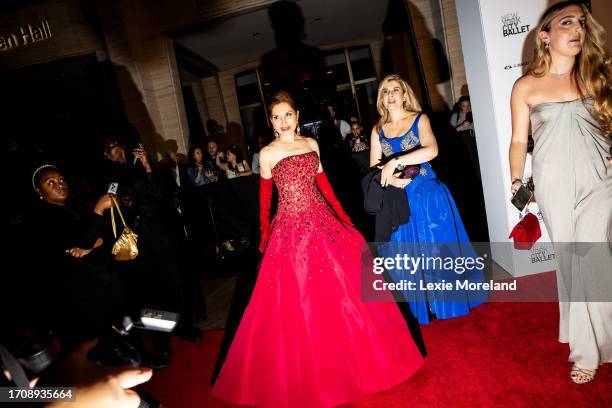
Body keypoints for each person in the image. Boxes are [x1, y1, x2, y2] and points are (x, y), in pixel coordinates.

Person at [212, 91, 423, 407]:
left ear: (297, 116)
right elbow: (265, 200)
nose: (283, 121)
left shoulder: (311, 145)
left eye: (287, 114)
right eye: (276, 116)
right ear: (270, 122)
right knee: (299, 299)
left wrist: (343, 217)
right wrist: (264, 234)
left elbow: (325, 187)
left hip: (321, 221)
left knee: (344, 289)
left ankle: (358, 362)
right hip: (290, 230)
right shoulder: (267, 154)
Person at [509, 1, 612, 384]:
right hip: (552, 183)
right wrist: (517, 181)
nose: (577, 30)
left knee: (592, 255)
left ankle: (587, 353)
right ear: (546, 36)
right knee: (572, 262)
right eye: (566, 22)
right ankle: (590, 333)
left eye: (582, 23)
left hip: (599, 180)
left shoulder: (596, 77)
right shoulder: (527, 86)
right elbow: (519, 140)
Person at [370, 74, 487, 325]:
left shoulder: (419, 119)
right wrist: (389, 179)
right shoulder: (377, 131)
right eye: (385, 91)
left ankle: (445, 303)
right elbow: (374, 169)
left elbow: (432, 149)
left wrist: (396, 161)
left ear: (404, 94)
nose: (390, 95)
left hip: (427, 195)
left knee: (437, 249)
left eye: (395, 90)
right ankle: (421, 308)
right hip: (398, 200)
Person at [26, 165, 118, 346]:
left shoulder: (75, 206)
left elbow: (106, 235)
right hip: (79, 291)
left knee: (112, 327)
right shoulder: (41, 219)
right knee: (94, 341)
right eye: (50, 182)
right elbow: (83, 241)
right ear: (39, 191)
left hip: (101, 280)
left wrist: (90, 245)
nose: (59, 185)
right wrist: (98, 209)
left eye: (61, 180)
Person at [450, 95, 480, 177]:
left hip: (474, 140)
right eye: (464, 106)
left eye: (468, 105)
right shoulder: (455, 116)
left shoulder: (475, 113)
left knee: (477, 161)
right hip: (462, 141)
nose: (466, 108)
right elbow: (450, 132)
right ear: (460, 106)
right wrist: (462, 126)